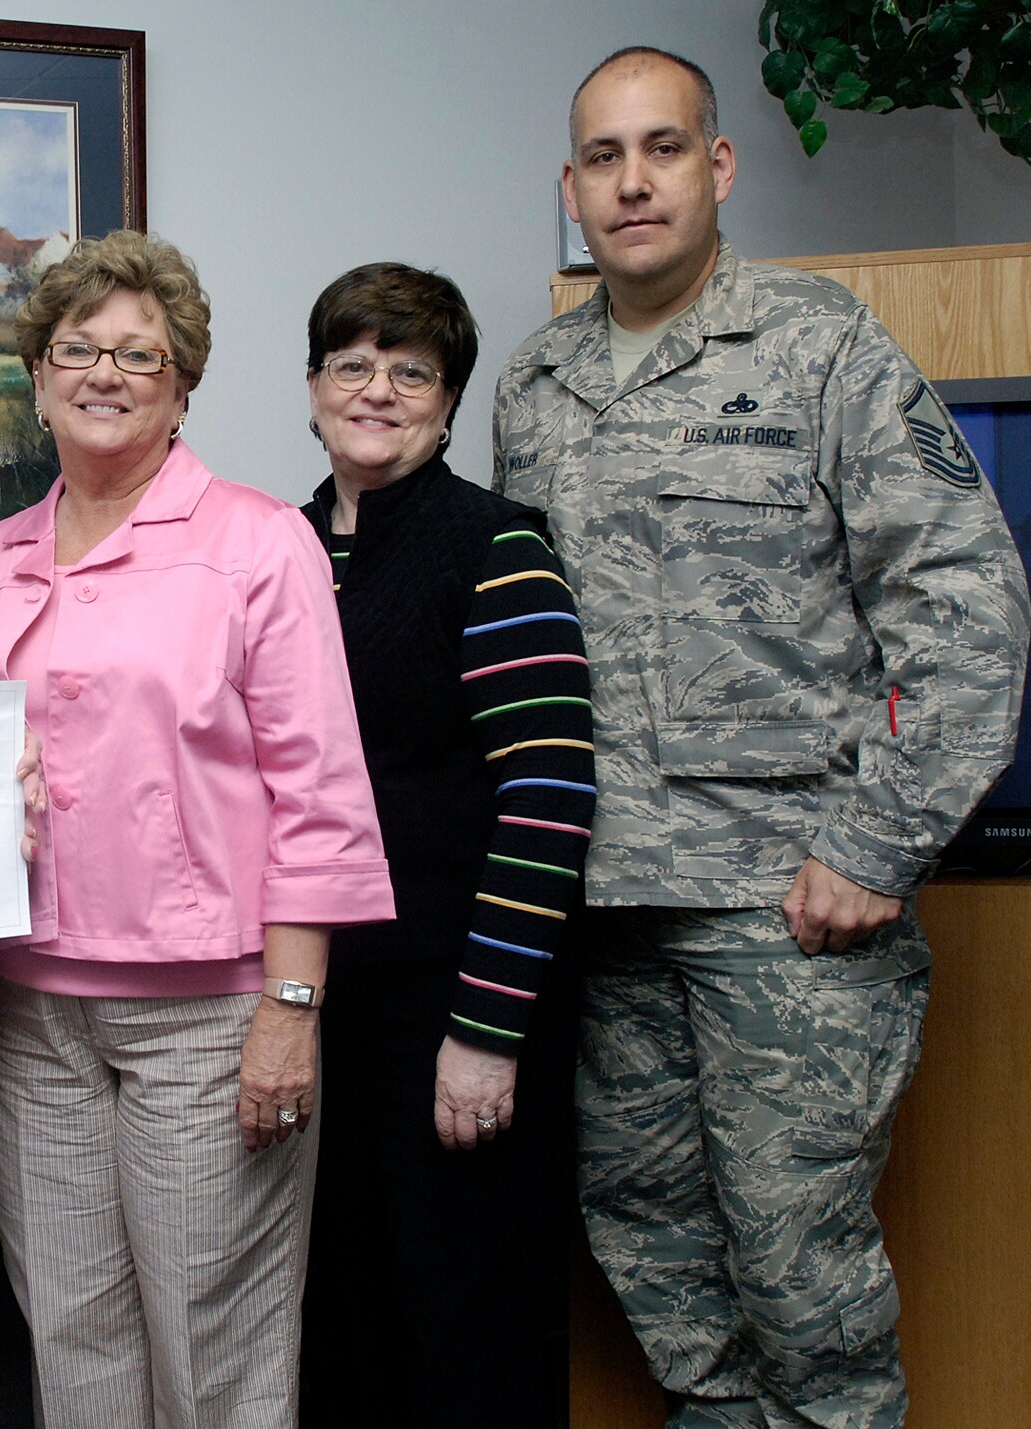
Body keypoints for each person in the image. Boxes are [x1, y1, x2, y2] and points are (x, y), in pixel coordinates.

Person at [492, 47, 1030, 1429]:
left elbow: (962, 601)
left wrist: (879, 840)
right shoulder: (535, 384)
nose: (632, 181)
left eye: (662, 148)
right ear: (573, 188)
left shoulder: (821, 344)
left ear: (716, 167)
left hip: (786, 907)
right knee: (649, 1245)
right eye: (604, 157)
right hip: (603, 909)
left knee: (803, 1273)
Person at [0, 230, 395, 1428]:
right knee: (71, 1335)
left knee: (216, 1353)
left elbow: (318, 791)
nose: (104, 373)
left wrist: (290, 1008)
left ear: (181, 384)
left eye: (139, 355)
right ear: (38, 375)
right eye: (77, 350)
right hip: (28, 1008)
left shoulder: (259, 543)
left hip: (209, 1017)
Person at [295, 263, 595, 1426]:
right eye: (352, 364)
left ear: (447, 399)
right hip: (318, 999)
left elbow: (548, 795)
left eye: (408, 371)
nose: (376, 390)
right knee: (338, 1315)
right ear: (313, 382)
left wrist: (483, 1031)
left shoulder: (497, 545)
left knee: (460, 1324)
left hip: (454, 1008)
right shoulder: (277, 546)